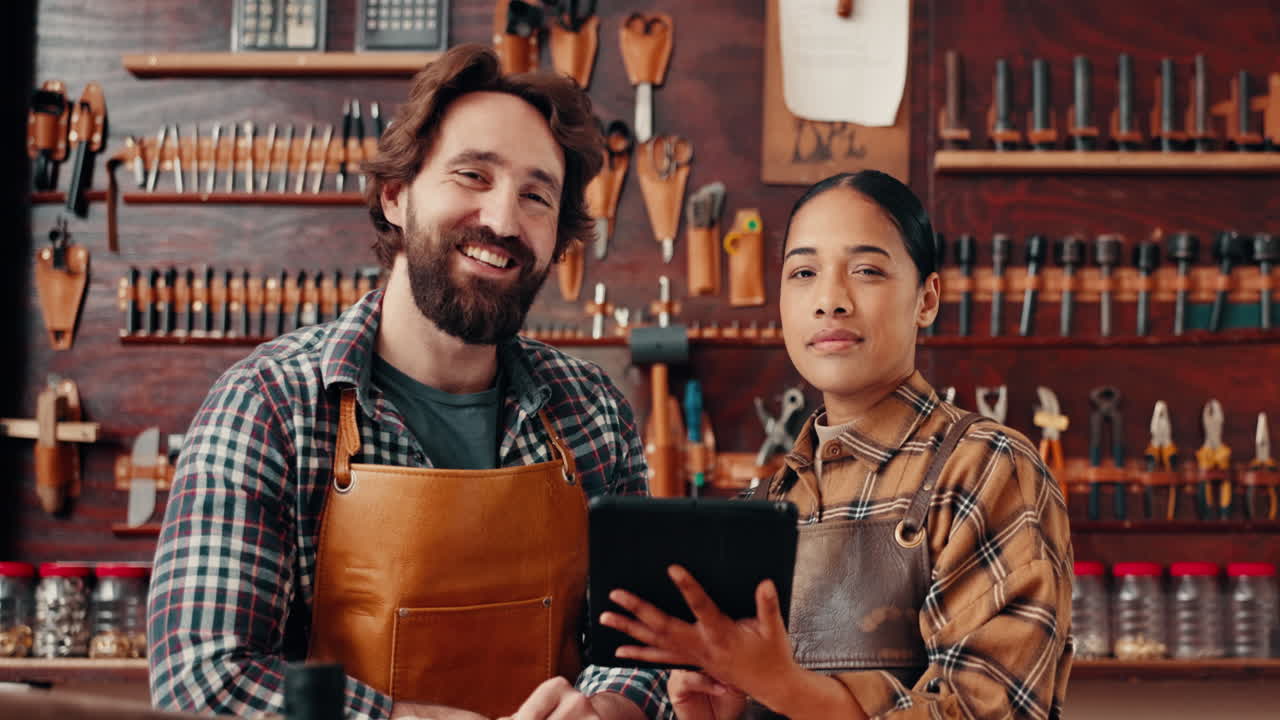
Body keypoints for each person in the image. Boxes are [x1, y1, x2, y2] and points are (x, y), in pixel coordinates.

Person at [147, 44, 668, 720]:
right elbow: (202, 681)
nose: (504, 220)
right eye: (472, 175)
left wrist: (609, 709)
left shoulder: (592, 412)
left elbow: (642, 647)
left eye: (536, 196)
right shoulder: (269, 406)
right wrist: (401, 719)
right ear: (396, 195)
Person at [601, 171, 1074, 720]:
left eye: (867, 270)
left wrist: (784, 686)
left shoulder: (985, 468)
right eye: (803, 272)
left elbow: (990, 712)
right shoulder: (761, 506)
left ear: (927, 298)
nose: (829, 300)